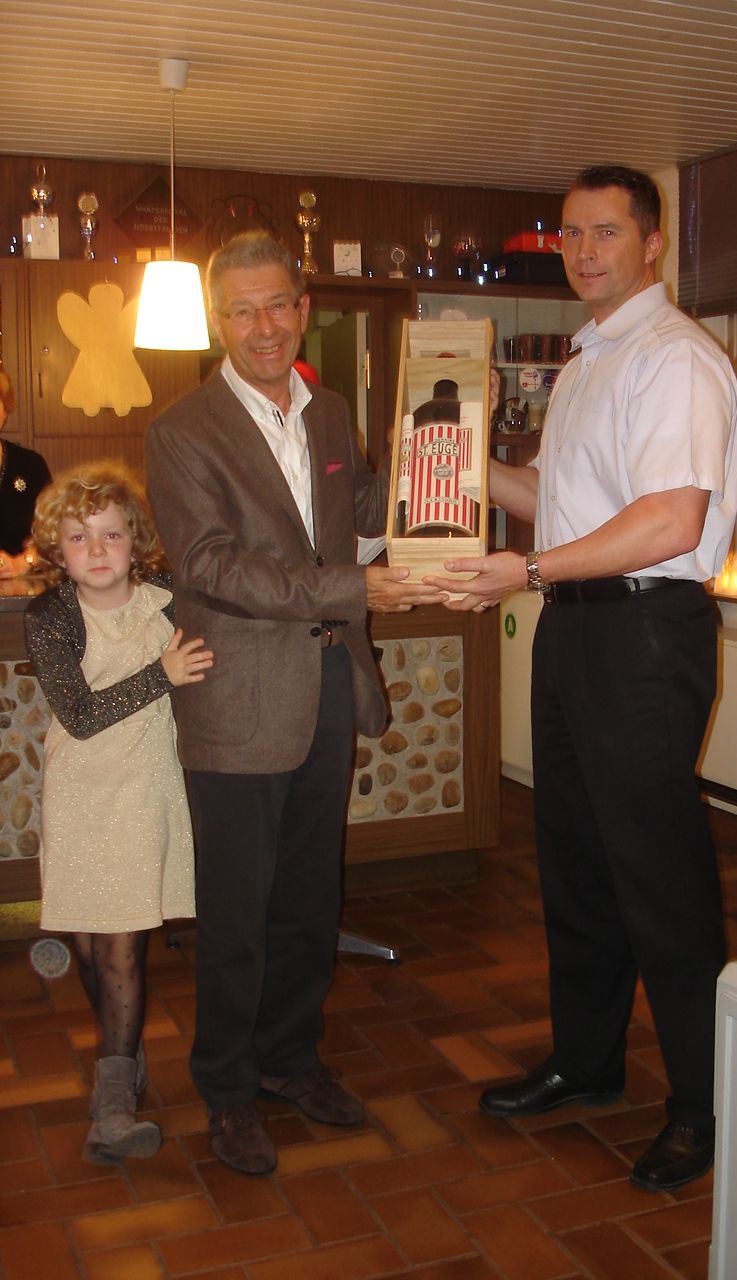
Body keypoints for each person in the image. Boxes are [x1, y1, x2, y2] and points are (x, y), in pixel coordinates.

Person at [425, 165, 737, 1191]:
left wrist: (527, 571)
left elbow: (670, 523)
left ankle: (702, 1105)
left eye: (607, 231)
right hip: (575, 628)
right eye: (570, 233)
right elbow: (558, 505)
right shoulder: (588, 359)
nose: (585, 250)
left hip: (642, 632)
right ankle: (588, 1059)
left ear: (653, 243)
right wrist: (451, 462)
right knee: (575, 861)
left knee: (659, 874)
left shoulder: (676, 359)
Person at [146, 231, 442, 1176]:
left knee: (311, 895)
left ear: (304, 309)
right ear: (218, 323)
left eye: (278, 304)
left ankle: (289, 1059)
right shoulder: (183, 430)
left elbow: (358, 519)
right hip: (235, 699)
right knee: (238, 911)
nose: (264, 326)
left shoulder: (331, 412)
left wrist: (433, 474)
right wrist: (353, 588)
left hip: (326, 685)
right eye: (242, 311)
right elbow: (210, 567)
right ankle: (229, 1091)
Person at [24, 461, 211, 1165]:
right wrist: (162, 674)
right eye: (79, 537)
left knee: (122, 944)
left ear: (136, 540)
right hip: (79, 789)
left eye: (110, 534)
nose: (96, 550)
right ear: (57, 548)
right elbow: (78, 714)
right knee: (87, 942)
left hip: (142, 787)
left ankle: (112, 1107)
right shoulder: (50, 616)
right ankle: (121, 1057)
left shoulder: (170, 601)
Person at [0, 367, 51, 578]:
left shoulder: (31, 465)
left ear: (5, 410)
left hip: (23, 585)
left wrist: (23, 562)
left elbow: (57, 531)